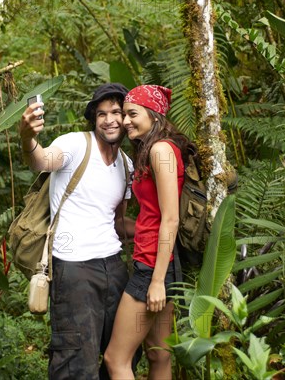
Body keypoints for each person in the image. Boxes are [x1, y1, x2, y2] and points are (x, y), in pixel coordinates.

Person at [19, 83, 136, 380]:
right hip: (73, 269)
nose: (109, 119)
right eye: (101, 114)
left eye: (116, 112)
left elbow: (118, 222)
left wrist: (164, 230)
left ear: (126, 118)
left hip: (113, 266)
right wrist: (28, 136)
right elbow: (42, 160)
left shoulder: (127, 164)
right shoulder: (74, 144)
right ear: (94, 119)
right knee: (75, 363)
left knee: (121, 356)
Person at [104, 84, 192, 380]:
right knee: (158, 353)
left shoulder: (161, 150)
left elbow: (170, 219)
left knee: (116, 359)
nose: (125, 121)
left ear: (154, 115)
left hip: (153, 267)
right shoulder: (154, 150)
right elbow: (152, 217)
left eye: (132, 114)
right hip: (157, 263)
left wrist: (156, 282)